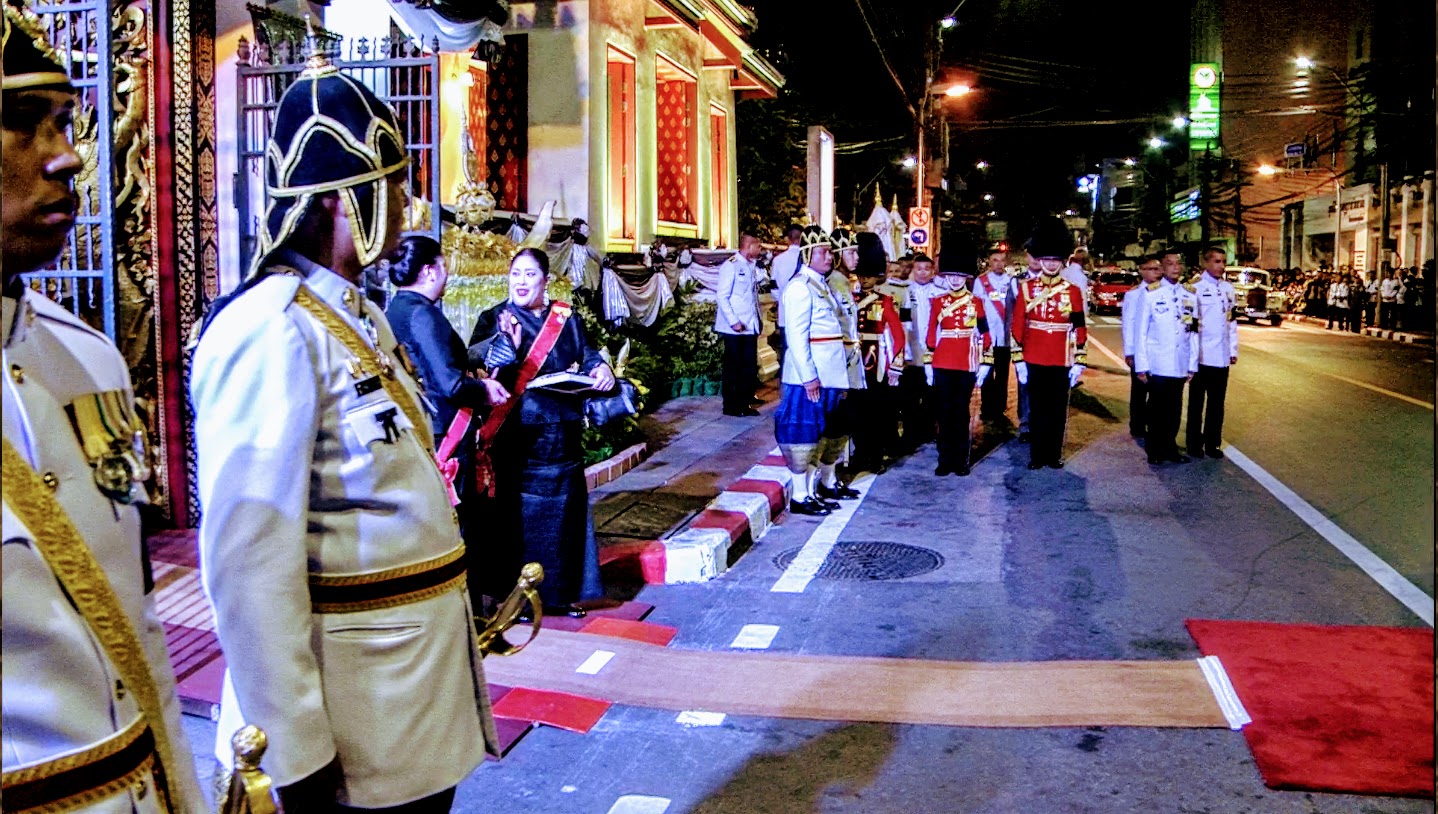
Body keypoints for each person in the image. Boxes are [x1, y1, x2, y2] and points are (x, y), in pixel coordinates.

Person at [191, 45, 496, 811]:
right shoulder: (271, 329)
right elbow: (249, 568)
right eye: (393, 185)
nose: (407, 205)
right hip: (351, 723)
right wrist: (292, 753)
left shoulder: (358, 317)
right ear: (341, 200)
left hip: (407, 704)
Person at [2, 4, 205, 810]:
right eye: (24, 123)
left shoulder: (87, 359)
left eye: (64, 123)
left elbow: (139, 633)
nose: (69, 156)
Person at [468, 248, 616, 615]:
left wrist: (601, 368)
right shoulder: (495, 318)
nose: (521, 281)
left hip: (562, 432)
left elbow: (588, 353)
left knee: (564, 515)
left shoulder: (566, 318)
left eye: (530, 274)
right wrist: (506, 346)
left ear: (545, 280)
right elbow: (476, 363)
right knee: (518, 517)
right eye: (515, 273)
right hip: (518, 434)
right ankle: (515, 598)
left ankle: (560, 595)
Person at [385, 235, 512, 613]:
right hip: (449, 431)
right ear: (429, 271)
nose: (447, 275)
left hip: (421, 425)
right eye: (443, 267)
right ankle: (468, 613)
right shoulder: (423, 314)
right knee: (461, 524)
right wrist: (485, 388)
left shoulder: (395, 309)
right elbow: (450, 383)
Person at [773, 226, 853, 515]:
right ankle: (799, 495)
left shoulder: (821, 285)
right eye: (822, 252)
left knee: (822, 433)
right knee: (803, 432)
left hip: (828, 373)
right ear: (807, 255)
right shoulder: (799, 288)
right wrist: (808, 377)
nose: (829, 257)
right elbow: (796, 337)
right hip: (808, 377)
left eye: (830, 252)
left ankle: (811, 490)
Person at [1011, 219, 1087, 470]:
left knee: (1057, 409)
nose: (1052, 264)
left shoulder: (1073, 291)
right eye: (1047, 259)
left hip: (1061, 357)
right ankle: (1037, 454)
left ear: (1062, 261)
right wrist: (1018, 360)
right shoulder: (1026, 289)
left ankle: (1053, 454)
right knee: (1037, 408)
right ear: (1040, 260)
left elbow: (1079, 326)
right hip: (1033, 357)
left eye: (1056, 259)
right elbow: (1017, 326)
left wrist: (1080, 360)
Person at [926, 248, 992, 476]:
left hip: (966, 362)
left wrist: (986, 362)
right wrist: (928, 363)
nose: (955, 280)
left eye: (959, 275)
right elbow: (931, 333)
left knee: (961, 412)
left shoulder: (976, 302)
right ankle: (944, 459)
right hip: (943, 362)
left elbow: (985, 334)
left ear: (966, 277)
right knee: (944, 413)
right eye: (951, 275)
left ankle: (961, 459)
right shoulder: (938, 302)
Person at [813, 228, 864, 502]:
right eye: (850, 252)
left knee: (844, 423)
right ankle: (823, 480)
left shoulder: (844, 282)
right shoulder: (830, 283)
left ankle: (830, 477)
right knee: (833, 423)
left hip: (851, 363)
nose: (856, 257)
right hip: (837, 365)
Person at [1133, 253, 1199, 464]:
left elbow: (1193, 331)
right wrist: (1141, 366)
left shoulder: (1189, 294)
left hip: (1180, 362)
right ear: (1161, 268)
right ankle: (1155, 451)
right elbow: (1140, 332)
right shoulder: (1151, 294)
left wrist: (1192, 364)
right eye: (1170, 264)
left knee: (1174, 409)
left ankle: (1171, 448)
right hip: (1158, 362)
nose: (1175, 267)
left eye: (1179, 263)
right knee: (1156, 409)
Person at [850, 239, 907, 474]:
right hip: (853, 362)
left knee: (876, 413)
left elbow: (898, 335)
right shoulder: (849, 298)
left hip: (876, 363)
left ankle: (875, 456)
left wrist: (896, 365)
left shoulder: (884, 301)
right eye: (861, 275)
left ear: (877, 277)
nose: (864, 279)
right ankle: (859, 454)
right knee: (856, 412)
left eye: (869, 275)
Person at [1186, 246, 1240, 459]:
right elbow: (1191, 326)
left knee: (1217, 404)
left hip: (1221, 355)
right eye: (1217, 261)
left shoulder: (1228, 288)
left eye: (1223, 261)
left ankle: (1212, 443)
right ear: (1205, 263)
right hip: (1201, 355)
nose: (1221, 266)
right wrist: (1191, 358)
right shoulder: (1194, 288)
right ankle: (1193, 443)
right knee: (1196, 403)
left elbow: (1231, 321)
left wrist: (1233, 349)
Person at [898, 252, 945, 452]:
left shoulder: (940, 292)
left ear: (932, 270)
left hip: (934, 353)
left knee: (931, 395)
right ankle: (910, 434)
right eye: (919, 269)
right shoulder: (905, 291)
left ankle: (929, 430)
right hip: (911, 352)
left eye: (927, 269)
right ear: (913, 270)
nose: (923, 272)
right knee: (909, 396)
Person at [715, 233, 764, 416]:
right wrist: (733, 321)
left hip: (749, 324)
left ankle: (744, 401)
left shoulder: (751, 266)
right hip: (735, 327)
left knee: (748, 366)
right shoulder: (731, 265)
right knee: (734, 367)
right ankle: (731, 405)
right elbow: (722, 296)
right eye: (758, 246)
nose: (760, 250)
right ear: (749, 246)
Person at [974, 243, 1018, 427]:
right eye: (995, 260)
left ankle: (999, 409)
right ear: (989, 262)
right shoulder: (981, 281)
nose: (999, 264)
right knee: (986, 374)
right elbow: (976, 307)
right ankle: (986, 408)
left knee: (1002, 375)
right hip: (987, 337)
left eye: (1001, 260)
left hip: (1005, 337)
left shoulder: (1012, 281)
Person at [1122, 255, 1164, 439]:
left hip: (1158, 351)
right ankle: (1137, 426)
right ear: (1141, 271)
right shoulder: (1133, 295)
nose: (1157, 273)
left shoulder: (1164, 292)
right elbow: (1128, 325)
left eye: (1158, 269)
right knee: (1139, 391)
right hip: (1140, 351)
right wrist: (1130, 352)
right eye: (1152, 269)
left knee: (1157, 392)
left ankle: (1152, 423)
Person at [767, 224, 804, 357]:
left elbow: (773, 287)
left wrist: (782, 300)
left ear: (788, 239)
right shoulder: (808, 258)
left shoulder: (778, 260)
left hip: (785, 314)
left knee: (786, 353)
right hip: (805, 314)